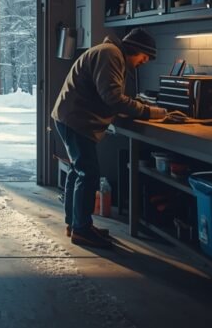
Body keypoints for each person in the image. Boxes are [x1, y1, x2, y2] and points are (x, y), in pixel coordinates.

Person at [51, 27, 165, 249]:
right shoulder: (110, 54)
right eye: (144, 57)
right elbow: (113, 97)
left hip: (72, 117)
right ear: (136, 49)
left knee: (78, 171)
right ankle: (82, 230)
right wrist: (150, 111)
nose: (144, 62)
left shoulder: (109, 53)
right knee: (88, 173)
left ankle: (76, 224)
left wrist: (133, 106)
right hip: (76, 120)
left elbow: (109, 94)